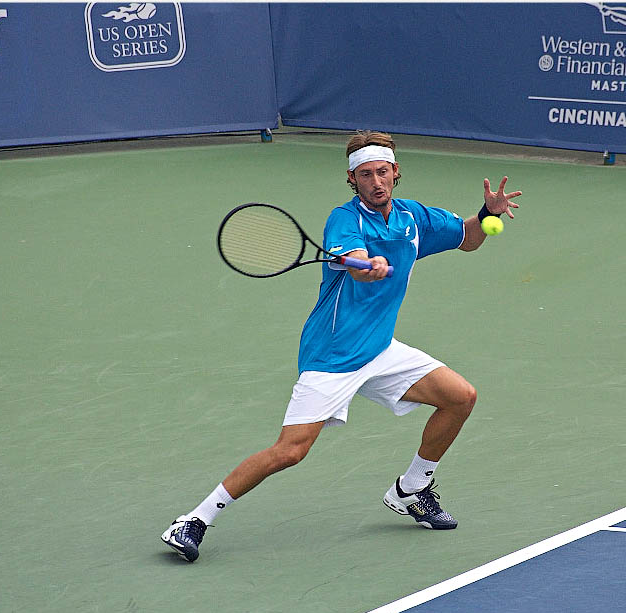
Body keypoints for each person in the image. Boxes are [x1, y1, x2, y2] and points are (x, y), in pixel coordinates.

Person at [162, 130, 522, 562]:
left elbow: (470, 238)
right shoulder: (344, 219)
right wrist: (368, 265)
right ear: (352, 180)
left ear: (395, 173)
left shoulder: (414, 219)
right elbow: (354, 265)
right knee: (290, 451)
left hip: (379, 351)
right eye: (365, 174)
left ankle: (411, 489)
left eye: (382, 172)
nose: (376, 181)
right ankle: (193, 521)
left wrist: (487, 213)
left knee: (461, 397)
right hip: (332, 358)